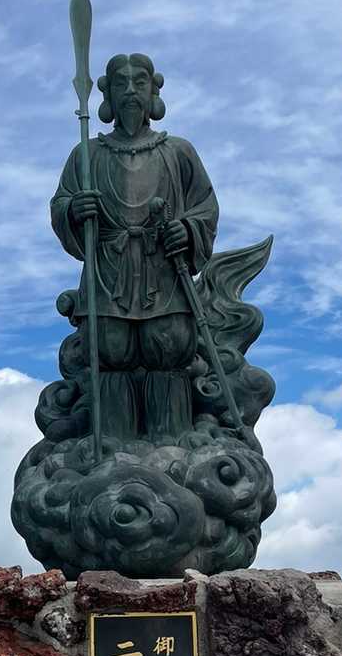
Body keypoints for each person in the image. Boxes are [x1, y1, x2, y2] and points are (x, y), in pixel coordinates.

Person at [51, 52, 218, 440]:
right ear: (107, 94)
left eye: (139, 82)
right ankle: (113, 448)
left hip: (164, 271)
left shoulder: (178, 151)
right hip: (108, 273)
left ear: (153, 91)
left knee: (168, 348)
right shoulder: (87, 155)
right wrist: (75, 209)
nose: (130, 90)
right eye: (120, 83)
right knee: (110, 351)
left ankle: (173, 446)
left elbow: (205, 206)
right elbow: (60, 204)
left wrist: (188, 230)